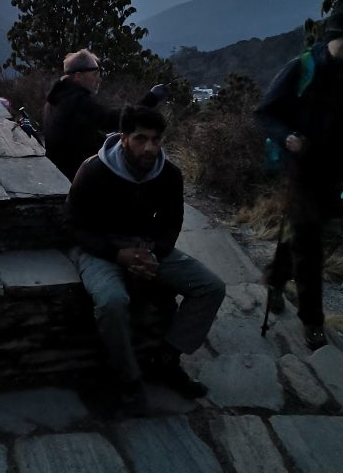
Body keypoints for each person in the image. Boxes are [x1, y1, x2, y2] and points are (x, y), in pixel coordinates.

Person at [67, 105, 225, 413]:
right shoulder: (94, 170)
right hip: (100, 249)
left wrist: (155, 254)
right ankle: (128, 377)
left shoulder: (169, 175)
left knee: (211, 287)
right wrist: (116, 254)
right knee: (112, 301)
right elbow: (72, 224)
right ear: (124, 138)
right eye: (141, 139)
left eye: (156, 139)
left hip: (147, 248)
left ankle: (166, 359)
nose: (150, 147)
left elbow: (172, 223)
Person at [255, 7, 343, 349]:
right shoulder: (304, 67)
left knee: (304, 232)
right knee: (311, 245)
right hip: (302, 167)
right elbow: (266, 112)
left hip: (338, 170)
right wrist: (287, 137)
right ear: (331, 38)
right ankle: (312, 321)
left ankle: (275, 278)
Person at [42, 49, 166, 181]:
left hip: (61, 166)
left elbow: (81, 133)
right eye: (95, 73)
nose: (99, 79)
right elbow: (114, 121)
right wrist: (151, 98)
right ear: (78, 76)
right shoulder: (77, 101)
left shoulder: (56, 99)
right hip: (77, 172)